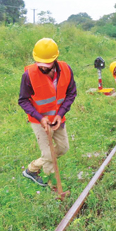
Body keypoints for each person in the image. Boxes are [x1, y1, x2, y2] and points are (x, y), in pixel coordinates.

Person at [19, 38, 77, 186]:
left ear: (55, 59)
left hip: (58, 119)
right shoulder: (28, 75)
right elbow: (23, 100)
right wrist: (40, 117)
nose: (43, 67)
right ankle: (51, 184)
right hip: (39, 120)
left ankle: (32, 169)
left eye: (47, 64)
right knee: (48, 154)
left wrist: (60, 114)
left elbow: (71, 93)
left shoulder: (66, 70)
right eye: (40, 63)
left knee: (63, 148)